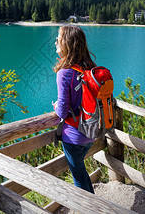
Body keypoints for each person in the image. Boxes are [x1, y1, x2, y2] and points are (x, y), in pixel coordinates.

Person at [53, 25, 96, 194]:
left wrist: (56, 106)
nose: (56, 40)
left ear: (68, 43)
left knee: (79, 180)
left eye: (59, 37)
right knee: (82, 174)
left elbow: (62, 111)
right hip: (91, 133)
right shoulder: (90, 67)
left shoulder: (65, 72)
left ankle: (90, 209)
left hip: (74, 136)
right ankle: (96, 205)